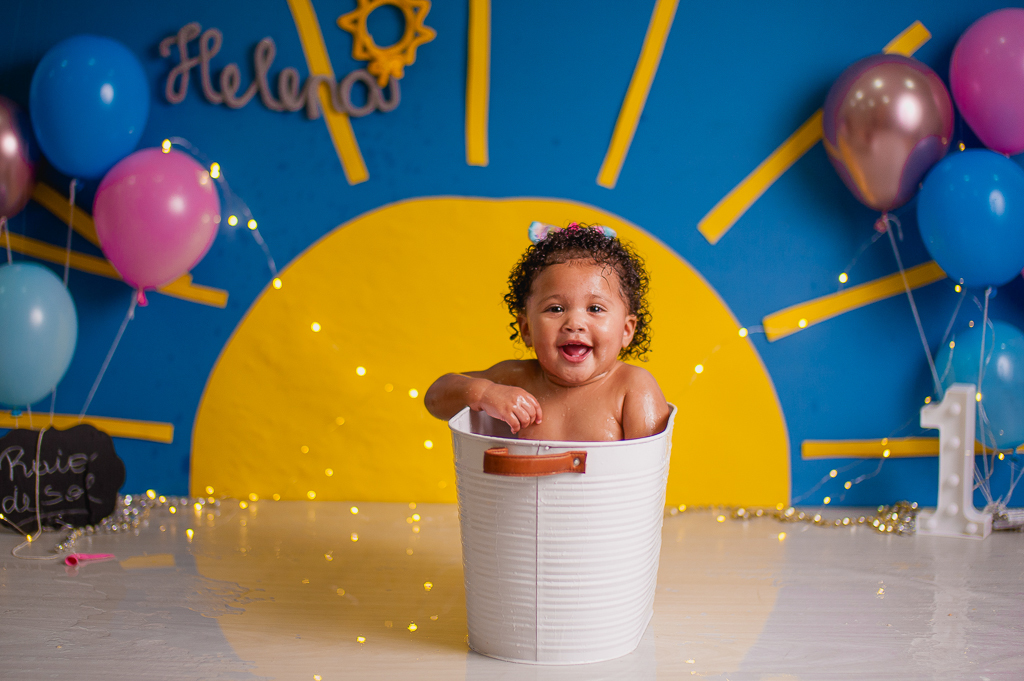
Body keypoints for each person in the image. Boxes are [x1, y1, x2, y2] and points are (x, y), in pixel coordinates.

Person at [425, 222, 670, 441]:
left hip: (609, 495)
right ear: (527, 329)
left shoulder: (633, 388)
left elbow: (647, 470)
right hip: (522, 493)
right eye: (555, 308)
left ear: (627, 330)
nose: (574, 322)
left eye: (595, 308)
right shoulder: (518, 379)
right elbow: (435, 398)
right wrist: (485, 393)